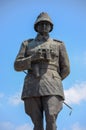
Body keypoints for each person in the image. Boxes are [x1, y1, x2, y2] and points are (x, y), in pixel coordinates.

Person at [14, 12, 70, 130]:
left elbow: (66, 68)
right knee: (36, 122)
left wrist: (54, 78)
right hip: (32, 85)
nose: (44, 26)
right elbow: (17, 65)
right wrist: (32, 58)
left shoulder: (59, 44)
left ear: (51, 27)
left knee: (51, 117)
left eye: (47, 24)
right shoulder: (27, 44)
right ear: (36, 27)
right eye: (41, 24)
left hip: (53, 86)